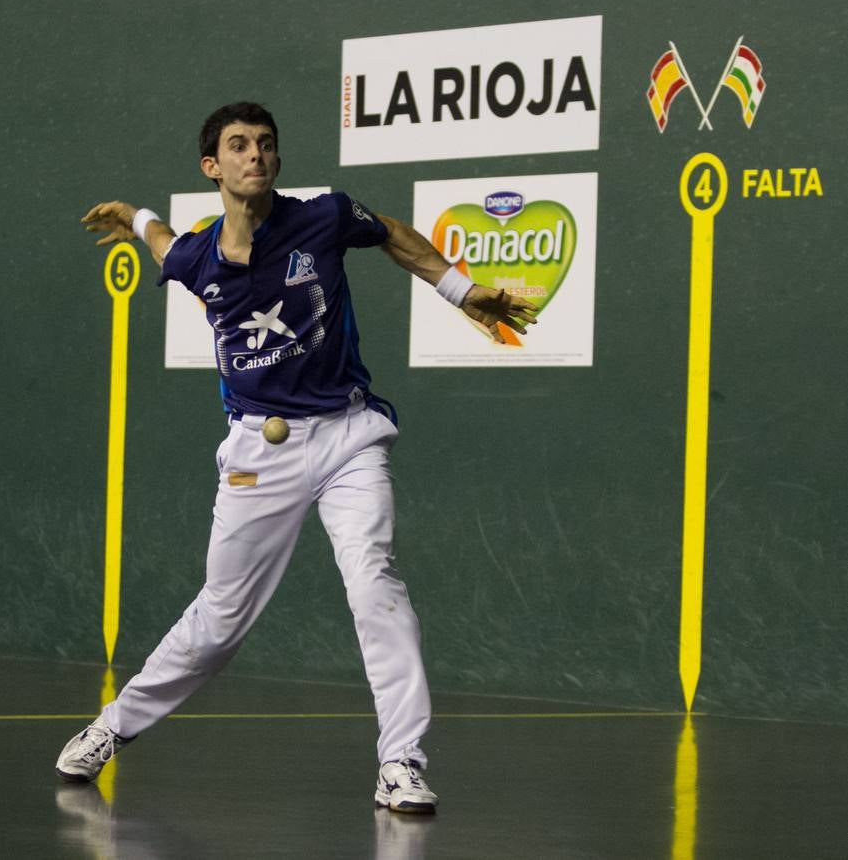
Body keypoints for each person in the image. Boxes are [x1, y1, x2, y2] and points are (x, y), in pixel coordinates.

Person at [57, 102, 538, 813]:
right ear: (211, 167)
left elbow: (395, 236)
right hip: (259, 450)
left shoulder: (323, 217)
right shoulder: (197, 256)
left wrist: (463, 292)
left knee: (374, 579)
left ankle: (401, 760)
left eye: (266, 145)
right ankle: (111, 728)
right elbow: (164, 243)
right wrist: (134, 217)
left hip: (348, 436)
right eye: (239, 146)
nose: (256, 155)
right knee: (219, 624)